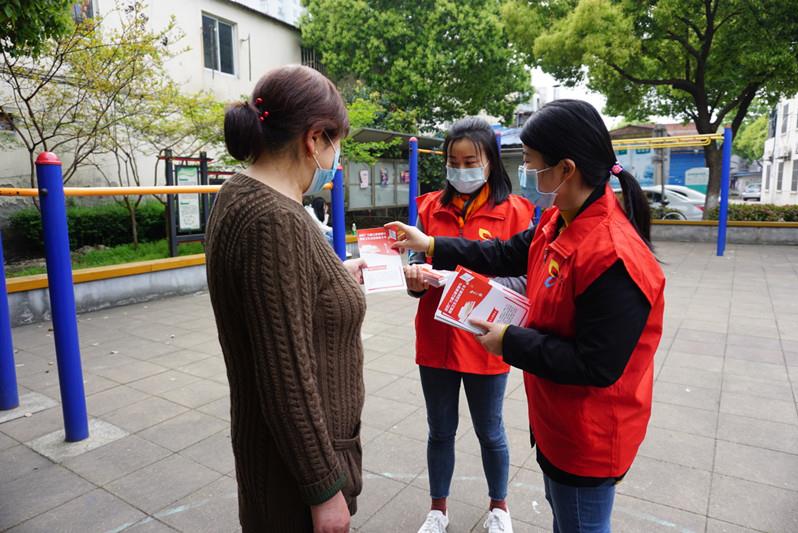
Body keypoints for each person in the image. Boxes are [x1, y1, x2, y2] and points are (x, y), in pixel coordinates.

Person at [388, 99, 665, 533]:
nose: (527, 174)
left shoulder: (612, 256)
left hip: (588, 437)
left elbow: (597, 364)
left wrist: (509, 341)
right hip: (557, 423)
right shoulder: (559, 221)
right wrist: (431, 245)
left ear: (566, 169)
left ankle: (499, 507)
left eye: (532, 163)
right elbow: (502, 253)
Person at [205, 65, 368, 533]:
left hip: (275, 458)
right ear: (313, 139)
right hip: (295, 481)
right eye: (336, 143)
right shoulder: (275, 221)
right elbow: (286, 374)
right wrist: (323, 490)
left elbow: (282, 301)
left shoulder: (239, 193)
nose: (337, 158)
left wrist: (334, 278)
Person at [404, 117, 534, 533]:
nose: (461, 170)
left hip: (487, 340)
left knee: (490, 432)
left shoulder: (517, 212)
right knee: (439, 431)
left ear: (490, 163)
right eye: (453, 161)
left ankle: (499, 508)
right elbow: (412, 262)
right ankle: (437, 510)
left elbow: (527, 279)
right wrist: (415, 280)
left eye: (470, 161)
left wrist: (480, 285)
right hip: (437, 340)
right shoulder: (428, 207)